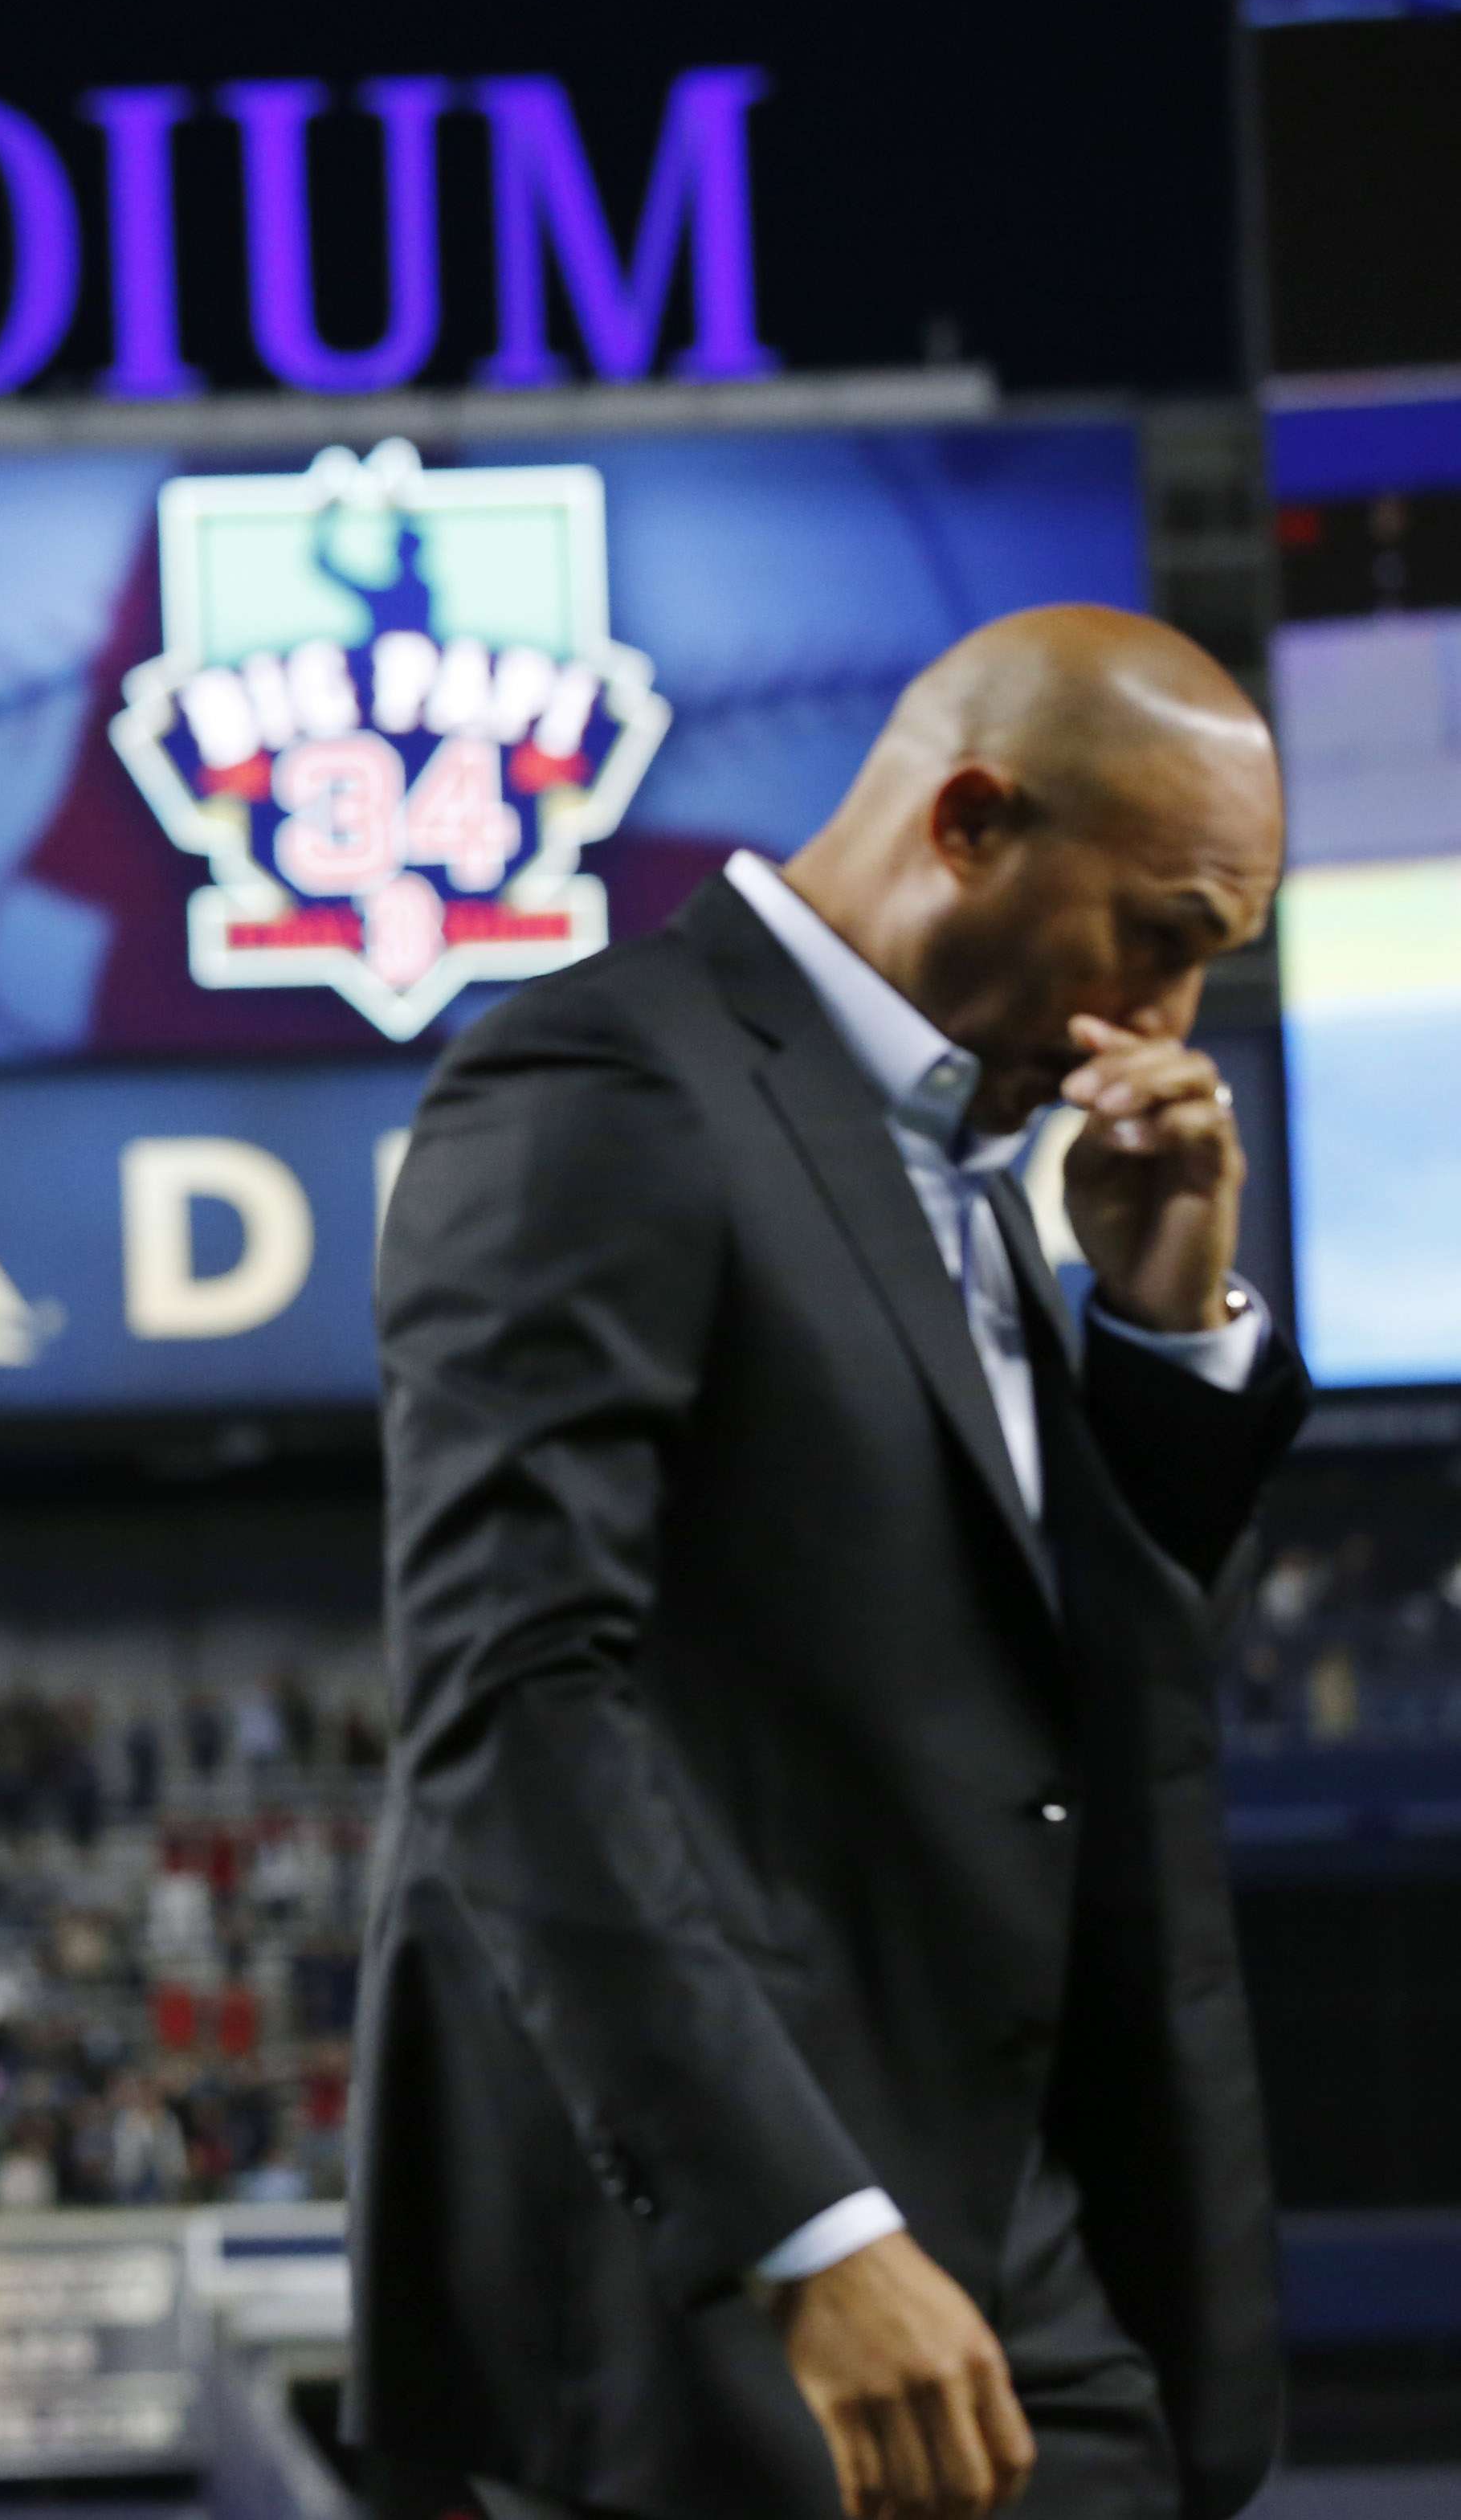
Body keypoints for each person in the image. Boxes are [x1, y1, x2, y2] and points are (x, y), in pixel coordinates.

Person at [350, 607, 1309, 2520]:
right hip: (743, 2306)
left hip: (1037, 2268)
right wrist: (807, 2233)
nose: (1170, 1024)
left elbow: (1068, 1698)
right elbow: (512, 1708)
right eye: (1161, 935)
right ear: (969, 821)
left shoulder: (958, 1160)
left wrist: (1160, 1325)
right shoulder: (602, 1086)